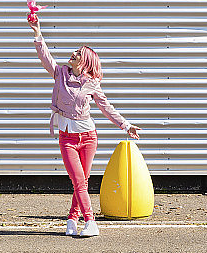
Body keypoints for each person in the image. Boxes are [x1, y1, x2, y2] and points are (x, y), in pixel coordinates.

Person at [29, 18, 141, 237]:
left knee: (82, 181)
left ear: (86, 61)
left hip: (89, 137)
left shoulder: (92, 83)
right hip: (68, 138)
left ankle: (72, 219)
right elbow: (45, 57)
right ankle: (90, 221)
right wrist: (37, 33)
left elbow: (106, 107)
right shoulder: (60, 73)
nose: (73, 53)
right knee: (78, 180)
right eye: (75, 51)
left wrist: (125, 125)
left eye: (78, 53)